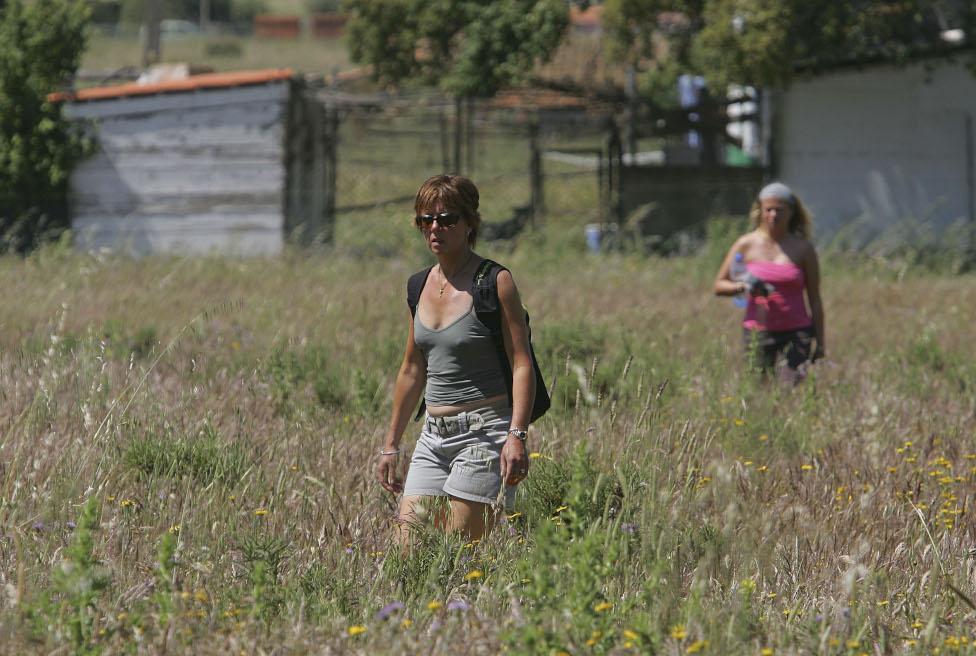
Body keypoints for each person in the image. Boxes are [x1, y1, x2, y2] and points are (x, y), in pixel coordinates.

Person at [376, 174, 535, 544]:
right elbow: (412, 369)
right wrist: (391, 444)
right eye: (425, 220)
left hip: (483, 433)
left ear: (469, 224)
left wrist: (516, 436)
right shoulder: (418, 285)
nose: (435, 228)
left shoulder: (495, 282)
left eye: (447, 219)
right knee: (407, 550)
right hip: (433, 437)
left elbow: (522, 362)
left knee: (458, 553)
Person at [714, 182, 826, 382]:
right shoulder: (745, 244)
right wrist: (744, 287)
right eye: (769, 210)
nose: (773, 215)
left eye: (780, 210)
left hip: (797, 332)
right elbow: (720, 285)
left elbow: (815, 299)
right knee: (759, 390)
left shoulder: (803, 249)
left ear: (792, 212)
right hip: (758, 332)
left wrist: (821, 342)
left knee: (790, 389)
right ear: (760, 211)